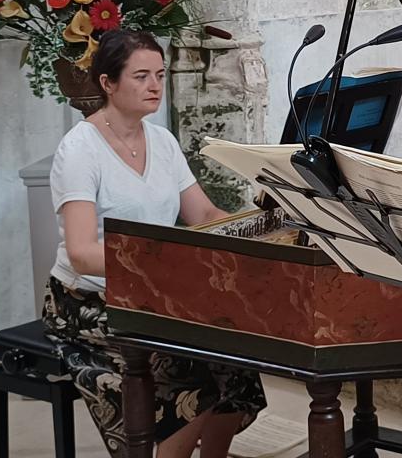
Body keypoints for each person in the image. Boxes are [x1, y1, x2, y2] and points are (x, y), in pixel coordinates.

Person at [42, 29, 265, 458]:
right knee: (190, 383)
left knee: (237, 360)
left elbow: (203, 215)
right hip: (85, 303)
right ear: (107, 83)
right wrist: (162, 263)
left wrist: (264, 220)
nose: (155, 86)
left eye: (160, 75)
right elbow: (82, 253)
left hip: (156, 293)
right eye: (141, 76)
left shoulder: (161, 141)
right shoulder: (79, 150)